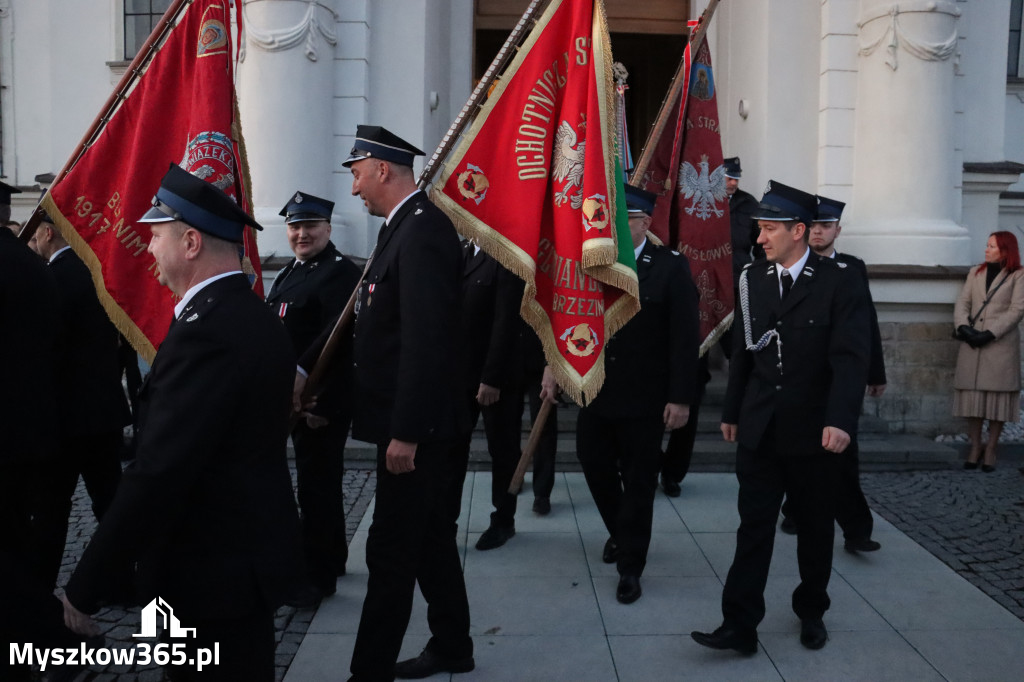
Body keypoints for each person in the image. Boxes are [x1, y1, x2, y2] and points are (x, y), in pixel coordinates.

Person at [61, 164, 305, 681]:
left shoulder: (208, 332)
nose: (148, 250)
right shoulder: (252, 315)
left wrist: (84, 587)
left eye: (155, 236)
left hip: (210, 576)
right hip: (242, 563)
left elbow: (159, 473)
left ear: (190, 242)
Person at [303, 125, 472, 681]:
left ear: (381, 169)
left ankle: (367, 673)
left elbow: (428, 342)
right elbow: (379, 335)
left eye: (355, 175)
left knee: (390, 552)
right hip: (406, 422)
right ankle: (453, 645)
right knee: (427, 541)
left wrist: (407, 431)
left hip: (415, 431)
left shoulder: (422, 231)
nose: (353, 190)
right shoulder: (403, 228)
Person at [691, 180, 870, 654]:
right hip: (761, 427)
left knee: (814, 529)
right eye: (759, 230)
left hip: (815, 431)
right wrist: (732, 412)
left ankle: (811, 609)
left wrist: (840, 421)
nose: (760, 238)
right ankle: (739, 625)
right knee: (753, 529)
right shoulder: (753, 279)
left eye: (768, 229)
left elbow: (850, 358)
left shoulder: (839, 281)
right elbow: (745, 354)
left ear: (798, 231)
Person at [572, 185, 699, 605]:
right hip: (597, 392)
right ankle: (621, 532)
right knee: (594, 465)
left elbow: (684, 339)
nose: (619, 226)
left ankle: (631, 567)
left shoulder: (669, 268)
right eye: (614, 218)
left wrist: (681, 398)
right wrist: (556, 370)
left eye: (628, 219)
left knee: (640, 483)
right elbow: (571, 319)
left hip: (646, 398)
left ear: (645, 223)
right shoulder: (593, 262)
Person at [27, 213, 132, 591]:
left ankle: (40, 587)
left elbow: (46, 351)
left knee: (52, 508)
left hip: (67, 419)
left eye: (34, 235)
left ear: (47, 232)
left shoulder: (54, 280)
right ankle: (123, 579)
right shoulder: (95, 272)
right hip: (103, 410)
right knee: (111, 503)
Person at [778, 195, 887, 553]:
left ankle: (857, 529)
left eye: (826, 226)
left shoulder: (852, 268)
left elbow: (866, 323)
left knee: (843, 456)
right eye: (814, 226)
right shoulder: (787, 267)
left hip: (840, 381)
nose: (819, 232)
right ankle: (795, 508)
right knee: (797, 449)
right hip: (800, 379)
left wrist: (875, 371)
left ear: (838, 230)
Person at [268, 190, 361, 597]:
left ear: (327, 228)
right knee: (314, 483)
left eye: (309, 226)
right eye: (294, 226)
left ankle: (317, 578)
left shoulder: (339, 273)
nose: (301, 234)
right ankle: (332, 558)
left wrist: (326, 402)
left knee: (317, 487)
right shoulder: (291, 270)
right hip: (290, 398)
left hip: (319, 400)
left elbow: (340, 344)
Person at [457, 241, 525, 550]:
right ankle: (446, 519)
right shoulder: (458, 251)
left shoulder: (505, 254)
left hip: (496, 380)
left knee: (503, 450)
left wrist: (492, 378)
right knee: (453, 448)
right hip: (459, 375)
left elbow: (506, 321)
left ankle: (503, 520)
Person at [953, 230, 1024, 472]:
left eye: (992, 246)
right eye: (987, 245)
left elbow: (1016, 310)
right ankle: (975, 445)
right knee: (973, 400)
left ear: (1005, 250)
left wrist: (990, 333)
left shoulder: (1018, 275)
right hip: (972, 343)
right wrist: (963, 327)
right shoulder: (976, 272)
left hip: (999, 346)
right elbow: (963, 302)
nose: (986, 249)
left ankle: (991, 447)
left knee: (996, 401)